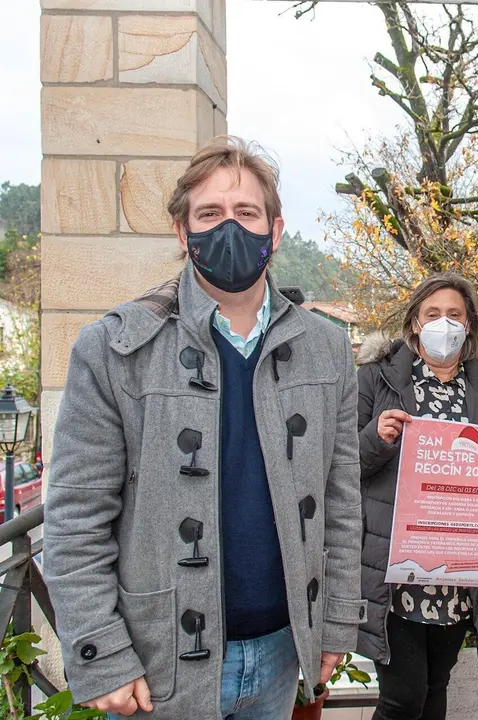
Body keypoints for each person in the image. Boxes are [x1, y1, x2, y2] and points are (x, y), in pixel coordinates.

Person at [43, 136, 365, 720]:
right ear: (182, 231)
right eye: (210, 214)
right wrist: (101, 654)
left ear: (276, 228)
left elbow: (341, 504)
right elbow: (75, 517)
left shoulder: (328, 349)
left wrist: (336, 621)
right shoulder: (114, 349)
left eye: (246, 213)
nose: (230, 228)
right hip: (157, 662)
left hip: (279, 651)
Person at [354, 273, 478, 720]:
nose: (444, 323)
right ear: (414, 322)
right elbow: (337, 466)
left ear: (469, 325)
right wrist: (376, 437)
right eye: (433, 314)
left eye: (454, 314)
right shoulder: (376, 379)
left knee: (436, 688)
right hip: (394, 570)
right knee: (402, 698)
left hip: (458, 571)